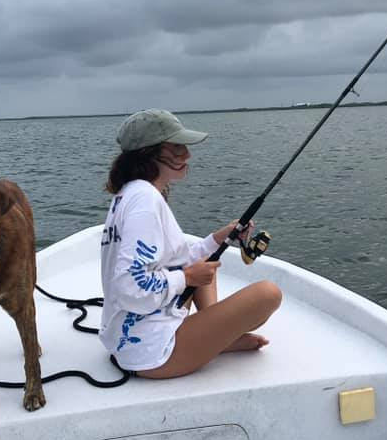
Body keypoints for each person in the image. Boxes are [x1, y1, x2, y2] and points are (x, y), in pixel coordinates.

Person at [99, 109, 282, 378]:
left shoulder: (131, 194)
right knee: (269, 294)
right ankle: (217, 339)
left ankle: (216, 337)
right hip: (151, 351)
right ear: (149, 154)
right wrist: (185, 278)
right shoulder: (146, 202)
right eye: (176, 148)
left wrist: (217, 239)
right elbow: (129, 286)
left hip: (130, 339)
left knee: (203, 262)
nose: (187, 155)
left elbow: (174, 259)